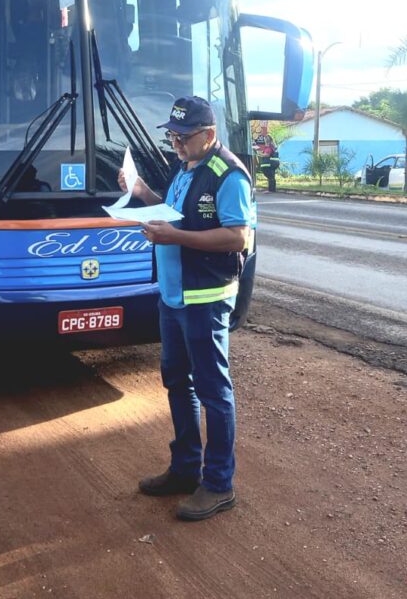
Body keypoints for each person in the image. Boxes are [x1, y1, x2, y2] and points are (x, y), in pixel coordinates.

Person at [119, 95, 253, 521]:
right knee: (178, 381)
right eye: (172, 136)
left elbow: (237, 237)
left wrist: (173, 238)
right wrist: (141, 192)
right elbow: (177, 214)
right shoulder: (186, 167)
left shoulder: (228, 175)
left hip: (205, 298)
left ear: (208, 135)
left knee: (213, 391)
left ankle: (219, 484)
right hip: (173, 295)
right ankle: (184, 468)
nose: (175, 144)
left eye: (183, 137)